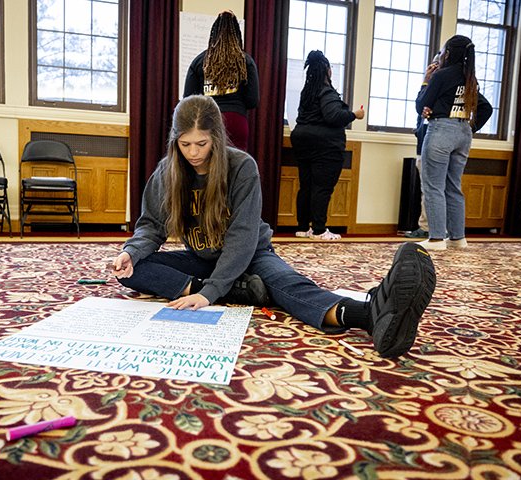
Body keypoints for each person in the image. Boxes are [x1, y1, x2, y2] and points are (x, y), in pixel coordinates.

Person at [111, 95, 437, 359]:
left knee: (285, 284)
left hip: (251, 253)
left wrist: (209, 293)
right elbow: (151, 226)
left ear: (217, 139)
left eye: (202, 143)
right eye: (185, 144)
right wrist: (131, 251)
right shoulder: (167, 171)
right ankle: (237, 289)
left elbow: (241, 237)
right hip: (202, 258)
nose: (194, 153)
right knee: (133, 270)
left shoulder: (241, 167)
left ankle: (370, 315)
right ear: (175, 141)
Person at [416, 35, 493, 251]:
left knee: (433, 186)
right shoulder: (470, 78)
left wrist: (426, 80)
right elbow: (486, 109)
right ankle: (458, 238)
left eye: (441, 52)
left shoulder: (441, 75)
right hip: (463, 133)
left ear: (448, 53)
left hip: (441, 130)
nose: (440, 55)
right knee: (453, 187)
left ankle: (437, 239)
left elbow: (421, 103)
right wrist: (469, 128)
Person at [289, 50, 364, 241]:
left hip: (302, 139)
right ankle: (320, 230)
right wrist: (354, 114)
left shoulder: (307, 92)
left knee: (306, 186)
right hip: (325, 145)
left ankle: (303, 227)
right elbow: (333, 116)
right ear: (328, 71)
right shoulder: (327, 91)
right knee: (322, 187)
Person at [183, 10, 259, 152]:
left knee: (209, 167)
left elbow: (188, 99)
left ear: (214, 32)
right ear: (237, 33)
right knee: (237, 167)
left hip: (208, 120)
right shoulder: (246, 61)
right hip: (237, 121)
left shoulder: (199, 61)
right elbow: (252, 101)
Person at [406, 54, 440, 240]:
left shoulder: (441, 84)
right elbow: (422, 112)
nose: (432, 67)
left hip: (432, 147)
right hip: (423, 144)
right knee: (428, 189)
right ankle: (430, 227)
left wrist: (426, 81)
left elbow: (421, 104)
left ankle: (427, 227)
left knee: (430, 190)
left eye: (436, 63)